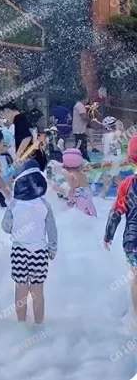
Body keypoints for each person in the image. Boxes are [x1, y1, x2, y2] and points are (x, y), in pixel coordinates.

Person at [1, 160, 57, 324]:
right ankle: (39, 324)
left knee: (20, 288)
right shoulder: (44, 204)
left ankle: (21, 323)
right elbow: (52, 230)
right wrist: (53, 249)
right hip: (39, 252)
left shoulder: (14, 204)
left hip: (19, 251)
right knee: (37, 290)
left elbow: (5, 226)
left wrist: (16, 229)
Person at [104, 135, 137, 322]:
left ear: (131, 159)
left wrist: (107, 237)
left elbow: (116, 213)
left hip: (133, 241)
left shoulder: (127, 184)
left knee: (134, 275)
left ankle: (135, 318)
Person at [58, 148, 97, 217]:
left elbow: (68, 191)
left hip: (78, 207)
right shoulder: (83, 175)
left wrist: (54, 187)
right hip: (88, 205)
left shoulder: (70, 176)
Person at [98, 116, 124, 198]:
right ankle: (122, 194)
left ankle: (102, 195)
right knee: (116, 177)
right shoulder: (119, 134)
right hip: (118, 159)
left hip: (110, 159)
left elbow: (106, 151)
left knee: (108, 178)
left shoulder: (107, 136)